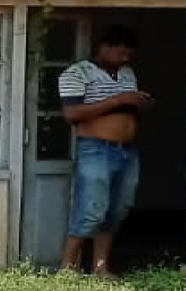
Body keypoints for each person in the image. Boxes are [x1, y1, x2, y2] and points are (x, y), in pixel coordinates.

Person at [58, 24, 151, 276]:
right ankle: (67, 268)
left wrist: (139, 105)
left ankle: (100, 267)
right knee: (91, 208)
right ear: (103, 47)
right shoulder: (77, 73)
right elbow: (72, 113)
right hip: (96, 149)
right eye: (120, 53)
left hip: (127, 150)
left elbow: (127, 109)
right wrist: (118, 100)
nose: (125, 59)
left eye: (129, 54)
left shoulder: (127, 73)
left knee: (117, 209)